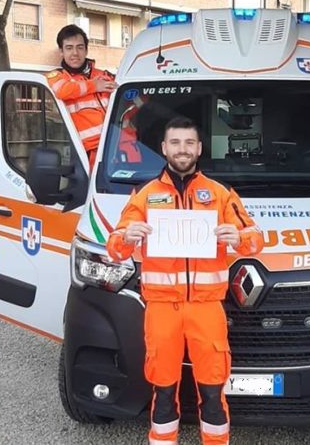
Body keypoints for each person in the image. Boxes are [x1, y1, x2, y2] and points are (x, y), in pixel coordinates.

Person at [107, 117, 264, 445]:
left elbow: (256, 238)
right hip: (162, 309)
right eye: (175, 143)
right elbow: (115, 247)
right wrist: (126, 237)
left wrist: (238, 236)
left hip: (207, 310)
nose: (182, 149)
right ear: (164, 148)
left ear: (199, 148)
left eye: (189, 143)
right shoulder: (145, 196)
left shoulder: (220, 195)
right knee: (163, 394)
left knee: (212, 393)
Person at [47, 24, 118, 164]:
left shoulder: (103, 75)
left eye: (80, 47)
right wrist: (94, 85)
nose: (75, 53)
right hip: (88, 152)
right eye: (69, 48)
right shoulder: (57, 76)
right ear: (61, 51)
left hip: (118, 145)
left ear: (86, 50)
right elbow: (63, 91)